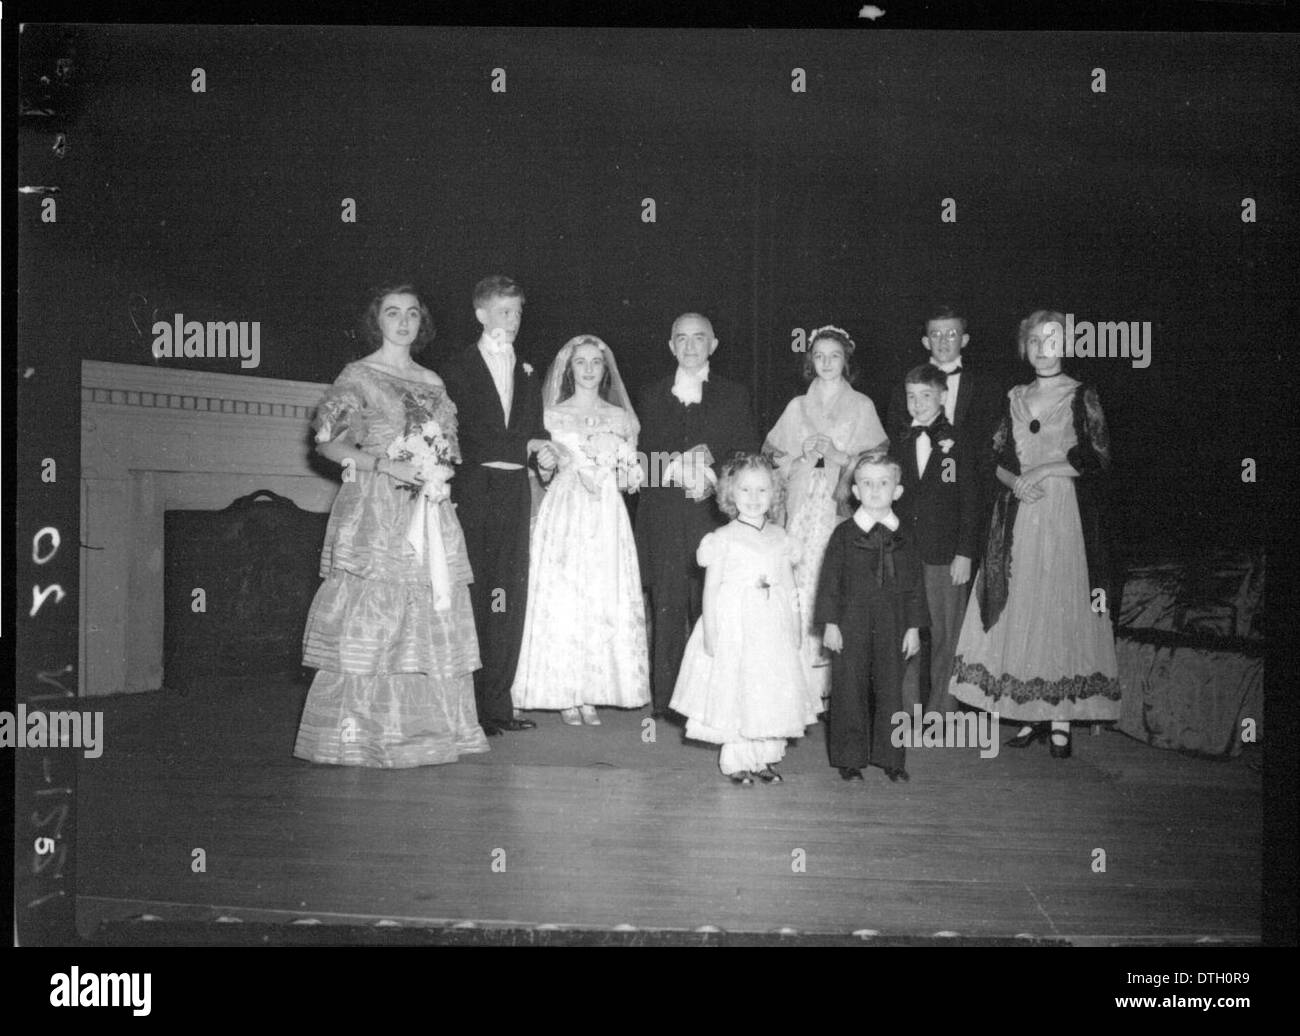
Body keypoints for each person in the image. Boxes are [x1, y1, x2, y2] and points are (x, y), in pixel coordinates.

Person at [294, 285, 488, 767]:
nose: (403, 322)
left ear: (422, 323)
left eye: (412, 314)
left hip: (428, 507)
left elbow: (448, 449)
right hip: (376, 507)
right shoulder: (358, 375)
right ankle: (360, 734)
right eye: (392, 313)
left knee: (429, 609)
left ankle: (427, 733)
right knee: (373, 612)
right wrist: (384, 466)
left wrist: (434, 470)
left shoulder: (434, 381)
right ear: (376, 320)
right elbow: (328, 444)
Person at [949, 310, 1120, 758]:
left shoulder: (1082, 394)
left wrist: (1043, 470)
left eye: (1053, 340)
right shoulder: (1014, 396)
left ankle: (1060, 717)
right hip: (1020, 511)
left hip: (1064, 512)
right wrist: (1014, 482)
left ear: (1067, 346)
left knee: (1059, 607)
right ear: (1024, 348)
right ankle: (1027, 712)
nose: (1044, 349)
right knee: (1021, 606)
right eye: (1035, 341)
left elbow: (1097, 455)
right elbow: (994, 457)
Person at [511, 335, 651, 724]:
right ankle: (563, 692)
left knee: (602, 593)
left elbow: (630, 480)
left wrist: (625, 469)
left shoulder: (621, 418)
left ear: (605, 370)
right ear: (569, 371)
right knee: (565, 593)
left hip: (606, 510)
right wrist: (549, 462)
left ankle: (593, 690)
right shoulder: (552, 415)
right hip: (566, 509)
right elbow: (543, 472)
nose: (588, 369)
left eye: (595, 363)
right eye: (580, 363)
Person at [441, 276, 557, 737]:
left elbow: (534, 429)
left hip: (514, 490)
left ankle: (498, 703)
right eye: (503, 312)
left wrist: (544, 450)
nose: (512, 321)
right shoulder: (455, 368)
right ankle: (468, 708)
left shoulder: (529, 369)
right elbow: (455, 434)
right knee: (474, 590)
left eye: (518, 312)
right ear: (481, 314)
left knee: (510, 590)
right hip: (473, 487)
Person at [635, 312, 757, 718]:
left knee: (714, 610)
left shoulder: (734, 395)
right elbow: (634, 463)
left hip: (714, 516)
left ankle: (714, 697)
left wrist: (711, 476)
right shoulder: (650, 396)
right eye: (681, 339)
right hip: (665, 518)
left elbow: (745, 456)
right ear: (671, 346)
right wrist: (671, 468)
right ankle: (669, 702)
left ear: (713, 345)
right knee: (667, 608)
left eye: (699, 338)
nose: (690, 346)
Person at [670, 454, 815, 784]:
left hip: (772, 626)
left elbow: (790, 586)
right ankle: (737, 761)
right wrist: (710, 631)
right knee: (737, 689)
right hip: (735, 626)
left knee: (768, 690)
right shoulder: (722, 538)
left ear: (774, 493)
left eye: (762, 490)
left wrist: (796, 624)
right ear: (730, 495)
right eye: (745, 490)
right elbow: (710, 589)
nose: (753, 498)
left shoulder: (781, 537)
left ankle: (765, 757)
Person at [764, 325, 887, 700]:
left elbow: (878, 458)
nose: (827, 363)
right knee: (799, 583)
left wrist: (841, 458)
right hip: (802, 508)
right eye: (819, 356)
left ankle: (837, 687)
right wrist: (801, 456)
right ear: (810, 361)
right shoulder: (797, 406)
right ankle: (798, 683)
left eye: (834, 356)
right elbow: (771, 453)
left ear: (846, 360)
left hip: (840, 509)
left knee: (835, 585)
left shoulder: (862, 405)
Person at [815, 448, 928, 783]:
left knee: (891, 690)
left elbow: (915, 585)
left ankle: (891, 757)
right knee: (849, 687)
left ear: (897, 491)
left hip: (893, 624)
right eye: (866, 483)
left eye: (883, 483)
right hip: (851, 623)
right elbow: (830, 581)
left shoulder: (905, 535)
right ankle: (849, 758)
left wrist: (914, 628)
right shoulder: (844, 534)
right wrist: (831, 623)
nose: (875, 490)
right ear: (855, 490)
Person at [894, 364, 982, 714]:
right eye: (911, 397)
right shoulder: (899, 439)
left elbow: (971, 501)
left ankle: (941, 709)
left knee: (946, 633)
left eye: (925, 396)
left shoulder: (959, 441)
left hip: (944, 554)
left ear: (943, 396)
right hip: (905, 552)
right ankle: (906, 707)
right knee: (905, 630)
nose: (917, 404)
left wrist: (965, 552)